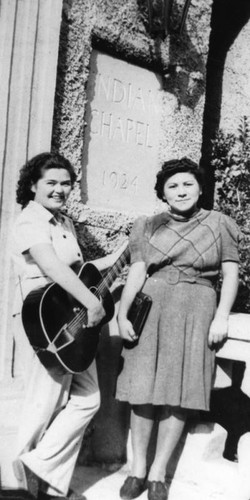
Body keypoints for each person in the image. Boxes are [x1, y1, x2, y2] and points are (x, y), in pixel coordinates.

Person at [116, 157, 241, 500]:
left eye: (188, 184)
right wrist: (123, 314)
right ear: (162, 193)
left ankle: (159, 473)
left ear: (201, 188)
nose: (181, 190)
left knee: (180, 390)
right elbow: (137, 272)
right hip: (151, 306)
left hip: (197, 307)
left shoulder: (220, 223)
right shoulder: (146, 225)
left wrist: (222, 316)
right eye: (173, 186)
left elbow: (230, 273)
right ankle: (137, 469)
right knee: (142, 389)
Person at [11, 152, 127, 500]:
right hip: (44, 320)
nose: (60, 189)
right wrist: (93, 302)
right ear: (33, 185)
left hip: (73, 317)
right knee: (45, 401)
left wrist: (128, 249)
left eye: (65, 183)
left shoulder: (64, 222)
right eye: (51, 182)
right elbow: (53, 267)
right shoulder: (29, 221)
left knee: (87, 400)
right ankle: (21, 486)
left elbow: (82, 268)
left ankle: (39, 469)